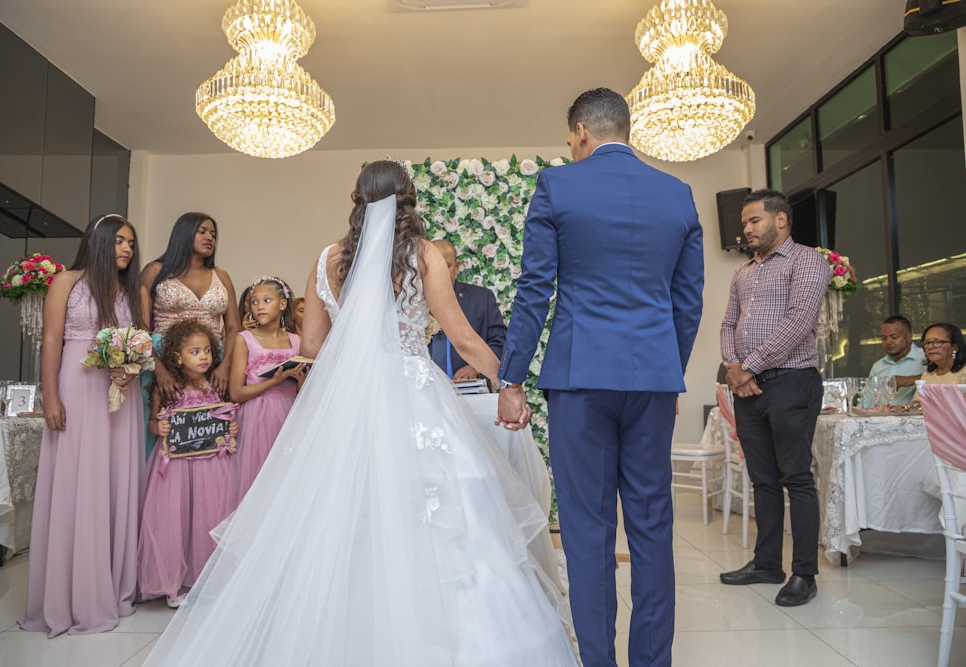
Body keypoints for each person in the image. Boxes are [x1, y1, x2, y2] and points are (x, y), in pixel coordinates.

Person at [144, 161, 577, 666]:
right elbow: (460, 337)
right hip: (415, 394)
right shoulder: (422, 255)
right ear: (408, 200)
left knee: (342, 514)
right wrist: (510, 382)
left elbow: (310, 345)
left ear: (359, 201)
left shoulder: (328, 259)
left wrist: (347, 381)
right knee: (445, 513)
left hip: (347, 401)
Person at [497, 88, 704, 667]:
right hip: (653, 380)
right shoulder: (678, 194)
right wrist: (669, 373)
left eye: (570, 139)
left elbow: (535, 290)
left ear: (582, 132)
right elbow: (687, 304)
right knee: (652, 526)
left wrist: (512, 377)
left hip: (580, 377)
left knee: (588, 533)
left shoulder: (558, 186)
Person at [18, 214, 146, 636]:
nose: (127, 249)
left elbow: (139, 344)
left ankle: (113, 586)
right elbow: (52, 339)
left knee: (114, 482)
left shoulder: (132, 291)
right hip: (77, 387)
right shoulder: (67, 281)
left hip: (119, 395)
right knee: (78, 482)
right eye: (120, 241)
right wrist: (50, 395)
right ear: (99, 241)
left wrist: (131, 369)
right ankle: (72, 594)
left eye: (131, 243)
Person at [718, 189, 830, 608]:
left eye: (754, 221)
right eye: (745, 223)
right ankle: (766, 564)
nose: (746, 229)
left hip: (793, 381)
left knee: (796, 478)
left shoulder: (807, 261)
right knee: (762, 480)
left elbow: (800, 321)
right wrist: (734, 367)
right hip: (748, 387)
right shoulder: (743, 272)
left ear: (780, 220)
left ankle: (805, 574)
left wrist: (751, 365)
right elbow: (728, 322)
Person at [138, 319, 238, 609]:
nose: (204, 356)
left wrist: (231, 430)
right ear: (178, 357)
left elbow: (226, 420)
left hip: (212, 467)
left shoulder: (217, 385)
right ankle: (173, 583)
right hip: (177, 470)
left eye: (207, 350)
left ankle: (208, 580)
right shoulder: (167, 389)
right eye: (195, 352)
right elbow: (153, 424)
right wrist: (161, 429)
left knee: (208, 520)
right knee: (175, 521)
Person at [140, 212, 241, 457]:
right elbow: (139, 326)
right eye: (202, 231)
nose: (210, 238)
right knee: (161, 427)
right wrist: (159, 369)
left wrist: (224, 366)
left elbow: (234, 327)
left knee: (205, 430)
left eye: (213, 234)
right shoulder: (155, 270)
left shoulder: (222, 275)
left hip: (210, 360)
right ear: (184, 233)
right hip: (162, 357)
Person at [228, 277, 304, 504]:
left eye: (267, 300)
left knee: (287, 479)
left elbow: (305, 390)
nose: (259, 306)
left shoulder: (297, 341)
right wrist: (274, 380)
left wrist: (300, 381)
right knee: (257, 480)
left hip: (290, 416)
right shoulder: (245, 340)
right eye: (254, 302)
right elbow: (236, 393)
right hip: (256, 418)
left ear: (282, 304)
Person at [428, 238, 506, 384]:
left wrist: (474, 368)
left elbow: (500, 342)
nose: (439, 272)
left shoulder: (481, 298)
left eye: (446, 266)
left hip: (470, 392)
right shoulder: (414, 301)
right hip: (426, 393)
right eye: (433, 267)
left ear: (456, 267)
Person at [866, 315, 925, 405]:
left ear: (909, 337)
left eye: (894, 337)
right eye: (884, 338)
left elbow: (940, 381)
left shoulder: (925, 358)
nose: (888, 342)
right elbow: (867, 398)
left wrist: (910, 379)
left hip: (912, 417)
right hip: (878, 417)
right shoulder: (878, 366)